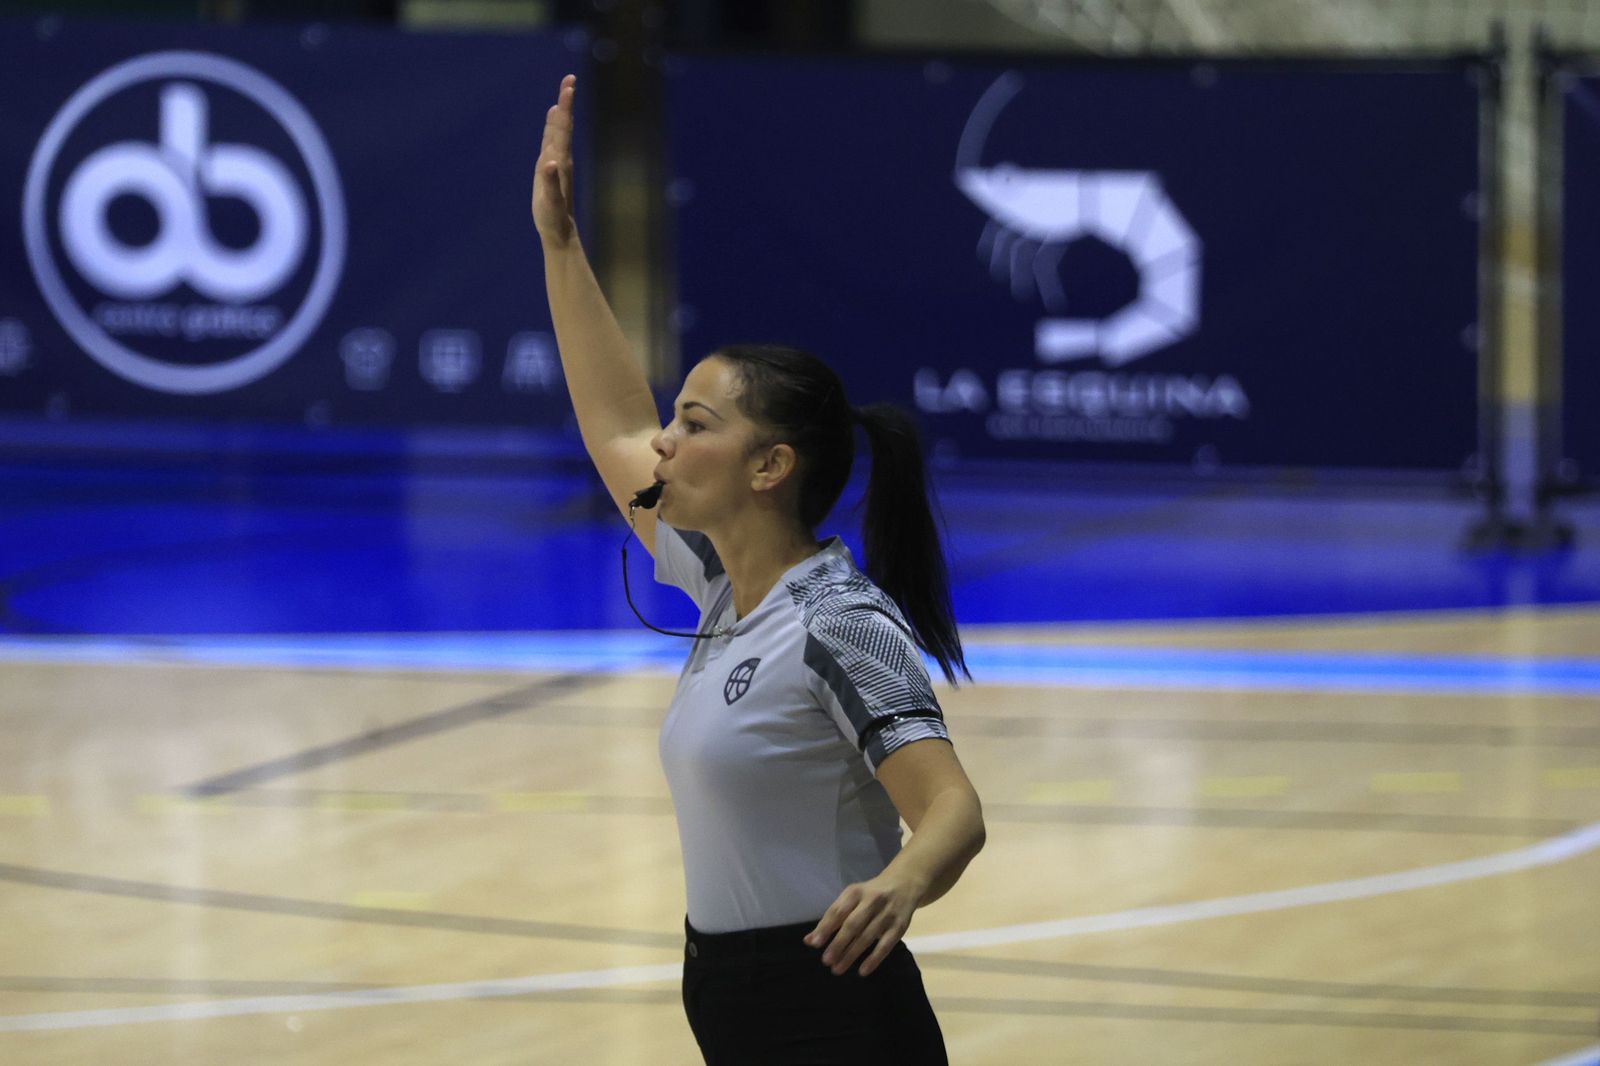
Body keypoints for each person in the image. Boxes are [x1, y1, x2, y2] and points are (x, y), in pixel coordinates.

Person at [532, 74, 985, 1065]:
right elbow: (613, 422)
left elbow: (952, 808)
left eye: (694, 424)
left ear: (769, 467)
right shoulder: (715, 583)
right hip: (728, 994)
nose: (662, 443)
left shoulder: (837, 620)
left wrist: (903, 885)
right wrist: (561, 244)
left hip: (828, 1005)